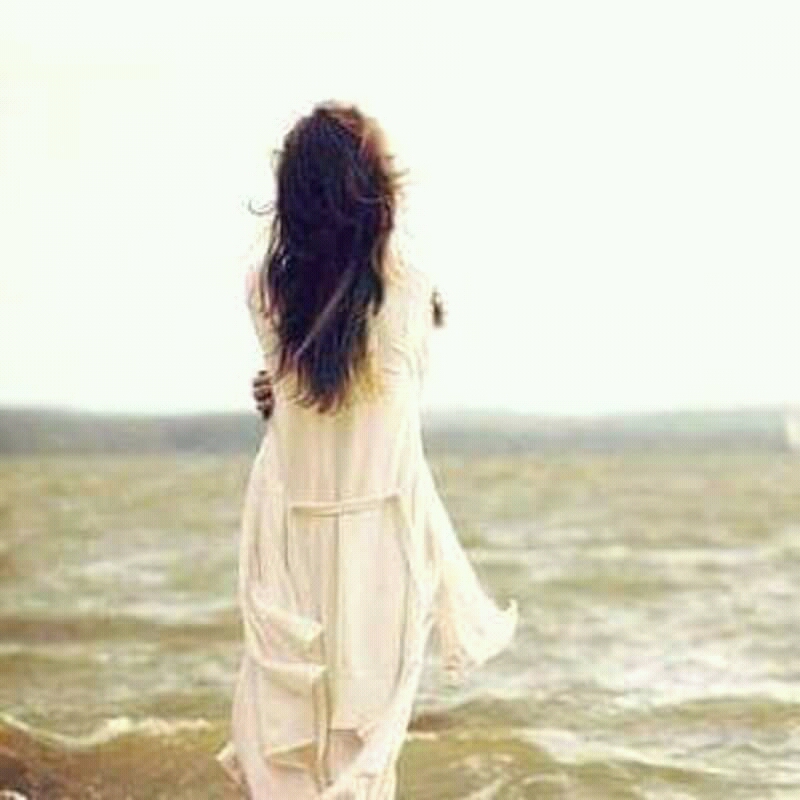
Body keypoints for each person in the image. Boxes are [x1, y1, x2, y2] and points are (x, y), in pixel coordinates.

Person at [216, 101, 518, 800]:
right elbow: (388, 383)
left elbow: (307, 385)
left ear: (293, 194)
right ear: (373, 189)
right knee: (366, 740)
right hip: (379, 528)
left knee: (288, 722)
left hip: (290, 523)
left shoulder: (263, 287)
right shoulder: (408, 283)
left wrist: (275, 393)